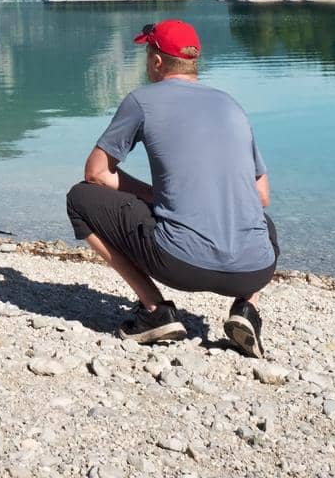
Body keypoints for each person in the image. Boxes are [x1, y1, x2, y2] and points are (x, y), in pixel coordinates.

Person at [65, 19, 278, 356]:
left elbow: (96, 173)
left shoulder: (142, 100)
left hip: (179, 264)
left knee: (79, 198)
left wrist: (150, 194)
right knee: (262, 225)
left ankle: (154, 311)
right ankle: (246, 309)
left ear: (158, 60)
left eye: (147, 52)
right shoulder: (231, 105)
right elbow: (261, 197)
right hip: (254, 270)